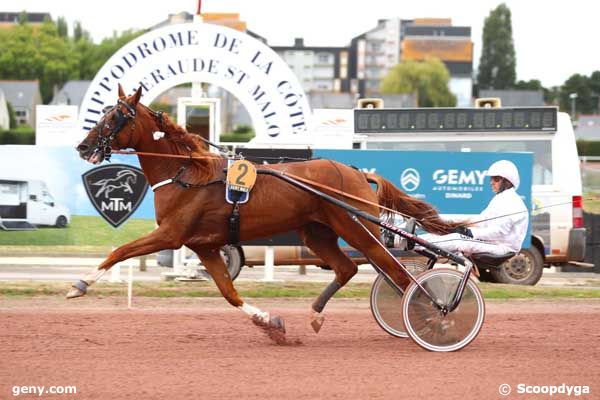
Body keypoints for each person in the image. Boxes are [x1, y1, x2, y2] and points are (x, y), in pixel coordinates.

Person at [415, 160, 529, 257]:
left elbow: (499, 232)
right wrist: (454, 223)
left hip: (502, 248)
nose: (491, 182)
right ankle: (415, 239)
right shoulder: (501, 198)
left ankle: (415, 244)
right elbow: (482, 219)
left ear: (507, 181)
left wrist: (469, 232)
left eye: (496, 179)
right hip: (493, 243)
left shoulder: (511, 201)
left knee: (457, 239)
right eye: (491, 179)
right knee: (446, 234)